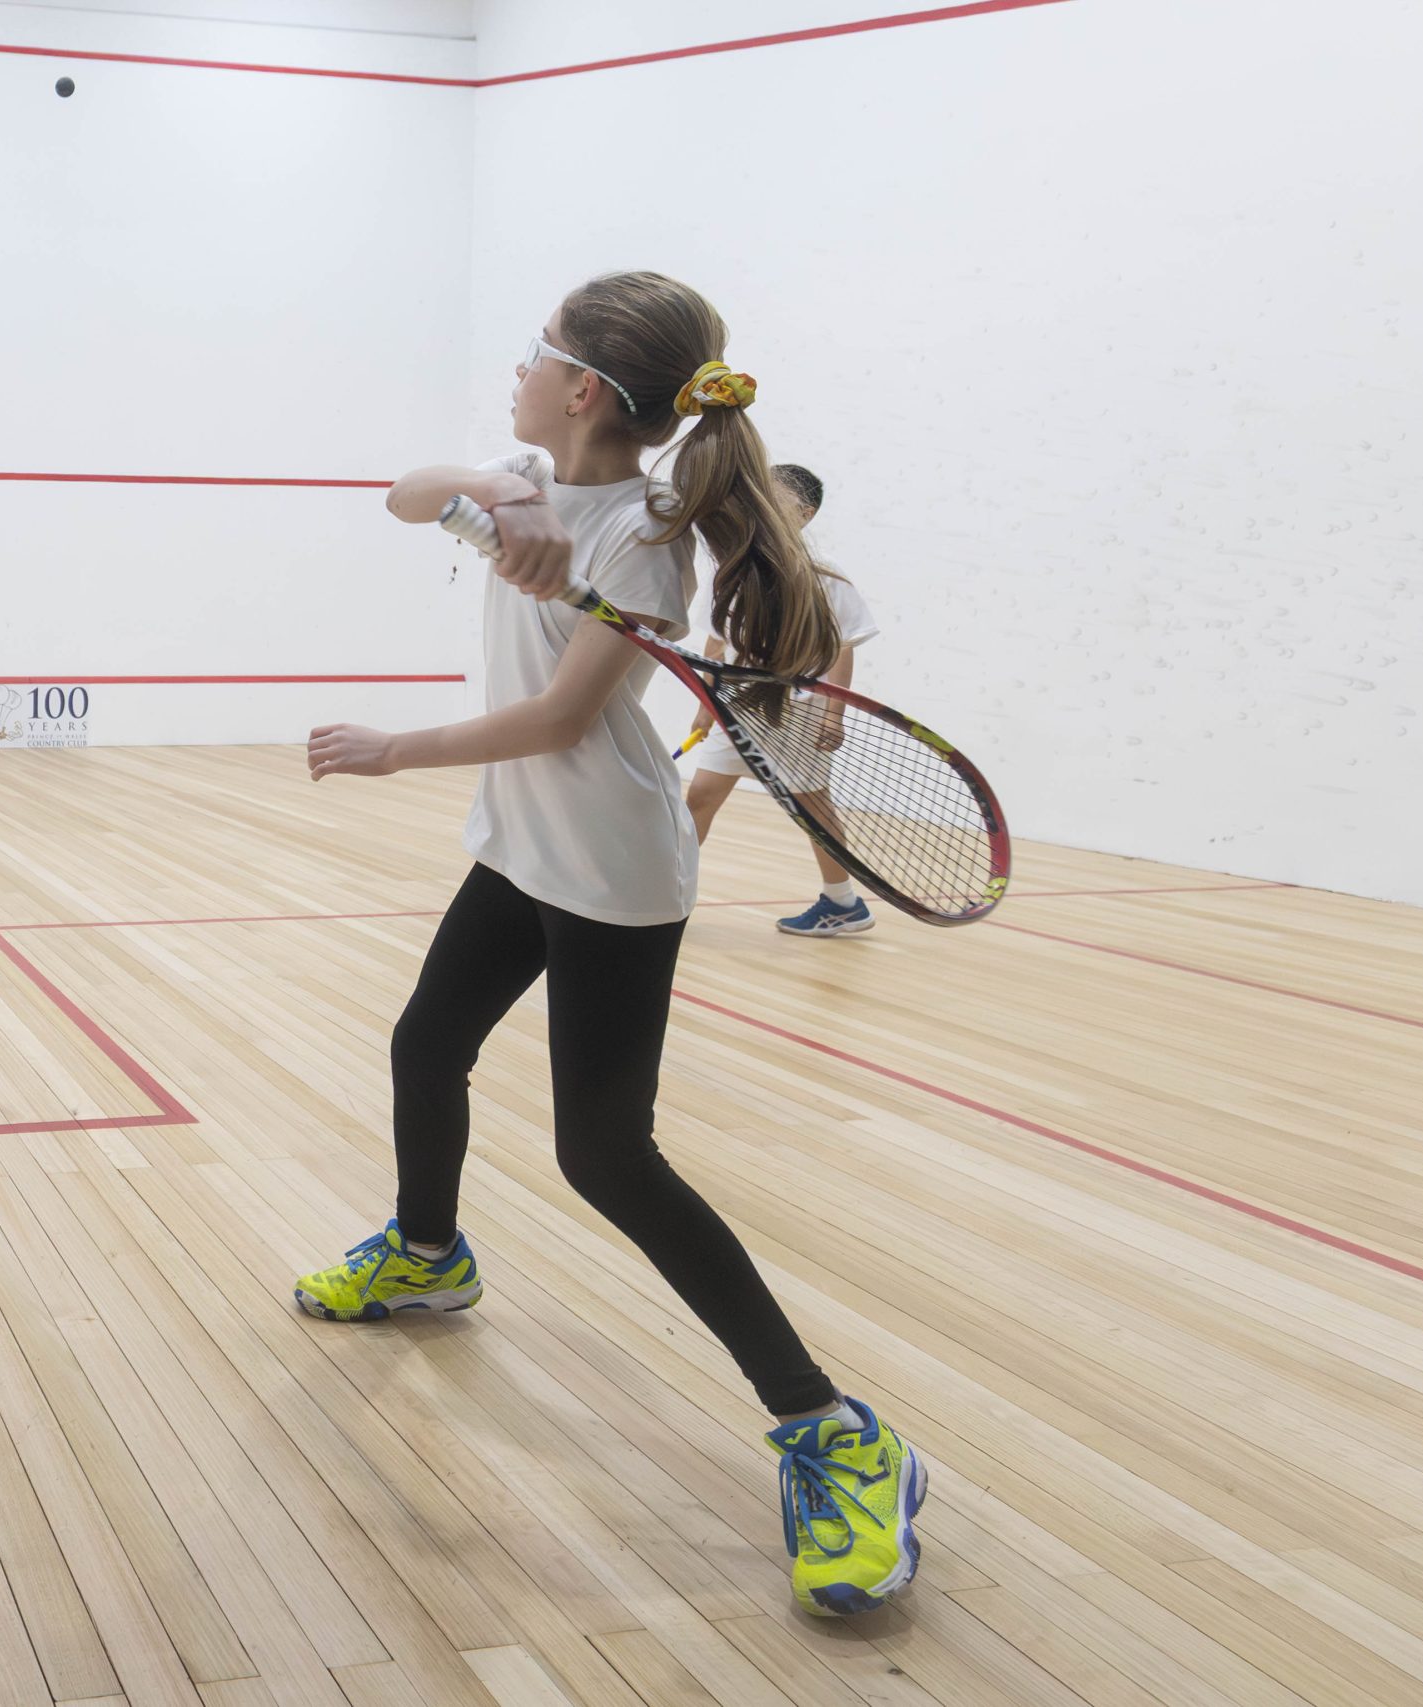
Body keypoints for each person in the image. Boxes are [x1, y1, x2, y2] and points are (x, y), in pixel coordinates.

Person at [298, 272, 927, 1617]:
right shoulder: (533, 476)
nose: (516, 372)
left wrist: (393, 749)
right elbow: (406, 493)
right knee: (426, 1046)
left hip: (610, 872)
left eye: (534, 354)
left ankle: (835, 1430)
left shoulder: (643, 542)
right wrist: (496, 493)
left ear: (583, 387)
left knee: (605, 1154)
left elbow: (561, 721)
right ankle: (427, 1253)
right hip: (520, 846)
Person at [682, 463, 884, 935]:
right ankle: (668, 895)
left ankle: (844, 903)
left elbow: (842, 648)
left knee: (812, 806)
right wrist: (705, 708)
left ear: (805, 514)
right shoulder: (733, 567)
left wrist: (833, 716)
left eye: (774, 496)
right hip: (737, 706)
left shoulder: (824, 575)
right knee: (701, 797)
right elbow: (716, 644)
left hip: (798, 712)